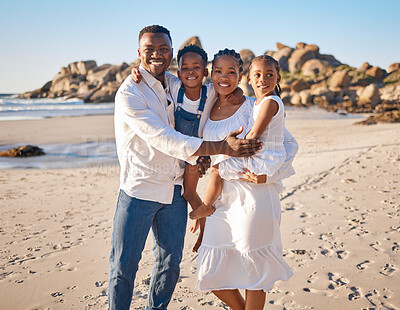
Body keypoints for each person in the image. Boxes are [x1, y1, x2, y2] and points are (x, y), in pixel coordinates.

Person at [109, 26, 262, 310]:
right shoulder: (130, 92)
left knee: (169, 264)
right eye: (149, 49)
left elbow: (221, 85)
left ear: (171, 53)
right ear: (139, 52)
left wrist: (238, 89)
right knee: (123, 265)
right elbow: (166, 139)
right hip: (139, 189)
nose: (157, 54)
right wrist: (222, 148)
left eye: (163, 49)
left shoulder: (172, 80)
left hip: (175, 190)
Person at [195, 49, 296, 310]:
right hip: (222, 199)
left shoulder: (255, 105)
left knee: (255, 270)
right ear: (211, 74)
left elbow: (288, 146)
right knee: (211, 270)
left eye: (231, 72)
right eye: (218, 71)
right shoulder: (205, 107)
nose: (224, 77)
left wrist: (267, 177)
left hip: (254, 196)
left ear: (241, 76)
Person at [130, 44, 243, 235]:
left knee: (193, 188)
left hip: (198, 153)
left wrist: (238, 93)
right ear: (178, 72)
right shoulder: (174, 87)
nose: (191, 72)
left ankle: (205, 220)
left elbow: (229, 89)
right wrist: (135, 70)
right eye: (185, 68)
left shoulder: (211, 92)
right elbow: (154, 74)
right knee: (188, 193)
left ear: (205, 71)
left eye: (196, 67)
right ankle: (204, 222)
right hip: (176, 152)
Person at [189, 54, 287, 220]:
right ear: (249, 79)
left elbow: (263, 136)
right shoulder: (208, 100)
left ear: (278, 78)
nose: (263, 79)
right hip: (225, 198)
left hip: (255, 181)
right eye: (218, 71)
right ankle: (207, 206)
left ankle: (206, 205)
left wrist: (235, 146)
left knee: (217, 168)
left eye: (269, 75)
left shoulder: (264, 103)